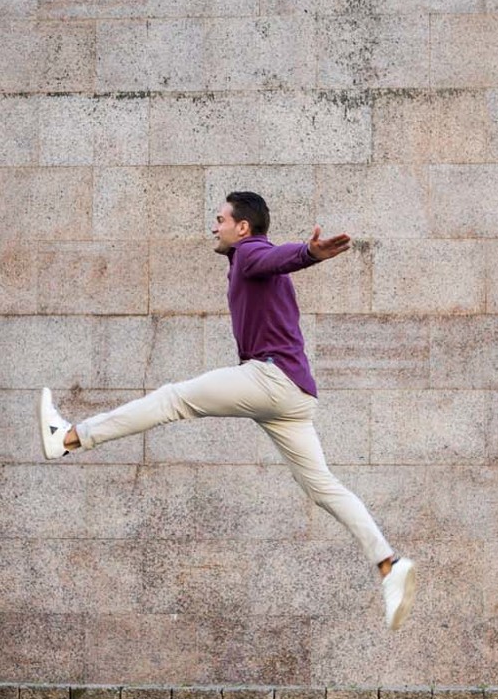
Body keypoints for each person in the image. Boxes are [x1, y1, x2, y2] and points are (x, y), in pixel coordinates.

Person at [37, 191, 418, 629]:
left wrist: (308, 254)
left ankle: (68, 438)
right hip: (294, 395)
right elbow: (276, 263)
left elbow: (276, 258)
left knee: (173, 399)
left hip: (271, 379)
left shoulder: (249, 253)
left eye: (219, 219)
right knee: (323, 487)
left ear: (242, 227)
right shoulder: (249, 262)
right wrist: (303, 256)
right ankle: (388, 565)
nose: (213, 227)